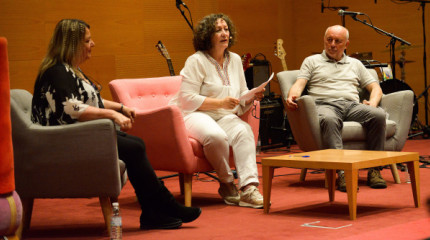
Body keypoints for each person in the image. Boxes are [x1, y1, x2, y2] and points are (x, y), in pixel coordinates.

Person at [31, 19, 201, 230]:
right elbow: (71, 108)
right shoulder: (57, 72)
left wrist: (120, 108)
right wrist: (112, 115)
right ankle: (160, 208)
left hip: (75, 135)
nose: (92, 44)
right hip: (63, 142)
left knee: (136, 144)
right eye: (87, 40)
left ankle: (155, 210)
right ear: (72, 44)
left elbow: (90, 100)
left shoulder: (67, 70)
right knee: (135, 146)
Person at [169, 13, 265, 208]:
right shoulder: (196, 60)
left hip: (224, 115)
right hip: (193, 114)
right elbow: (187, 99)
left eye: (226, 29)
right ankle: (227, 183)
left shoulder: (236, 59)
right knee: (215, 136)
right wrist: (221, 103)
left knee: (244, 131)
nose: (224, 34)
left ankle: (249, 188)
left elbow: (241, 93)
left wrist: (251, 97)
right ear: (207, 35)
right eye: (218, 30)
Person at [285, 25, 387, 192]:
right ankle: (342, 173)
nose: (332, 44)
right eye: (329, 40)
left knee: (378, 115)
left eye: (337, 41)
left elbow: (376, 88)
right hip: (324, 105)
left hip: (351, 105)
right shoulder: (312, 61)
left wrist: (373, 103)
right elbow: (299, 84)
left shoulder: (355, 64)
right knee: (329, 119)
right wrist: (291, 96)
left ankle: (374, 170)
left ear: (346, 44)